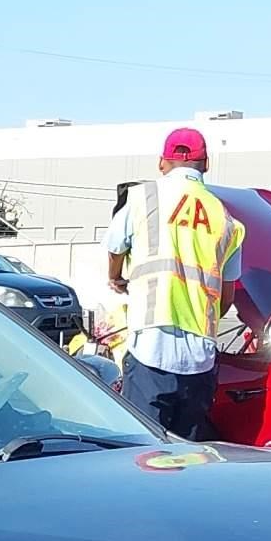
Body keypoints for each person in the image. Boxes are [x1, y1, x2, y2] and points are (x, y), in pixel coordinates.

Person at [105, 128, 246, 437]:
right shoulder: (226, 219)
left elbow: (115, 245)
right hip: (200, 356)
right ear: (206, 164)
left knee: (141, 453)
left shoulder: (143, 198)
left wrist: (116, 278)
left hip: (151, 348)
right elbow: (226, 298)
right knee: (188, 461)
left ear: (161, 163)